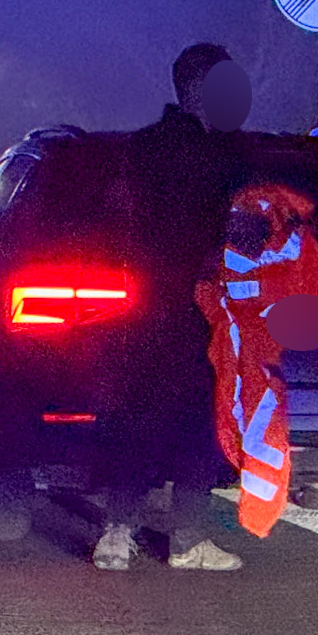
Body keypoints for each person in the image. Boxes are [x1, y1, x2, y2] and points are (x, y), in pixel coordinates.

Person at [94, 42, 254, 572]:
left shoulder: (141, 149)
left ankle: (117, 534)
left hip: (143, 312)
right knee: (196, 425)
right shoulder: (222, 157)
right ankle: (186, 540)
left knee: (139, 419)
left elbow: (117, 221)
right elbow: (238, 232)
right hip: (199, 312)